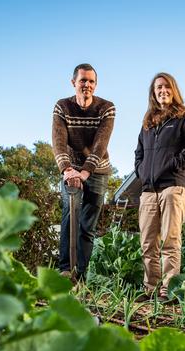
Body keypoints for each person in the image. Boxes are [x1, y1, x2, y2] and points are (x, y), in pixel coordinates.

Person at [134, 72, 185, 301]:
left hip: (172, 188)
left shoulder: (183, 117)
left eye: (166, 87)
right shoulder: (147, 122)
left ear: (173, 89)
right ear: (153, 93)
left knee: (170, 241)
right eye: (158, 87)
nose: (162, 90)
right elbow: (139, 154)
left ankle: (168, 291)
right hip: (148, 191)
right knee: (147, 243)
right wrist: (141, 173)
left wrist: (173, 165)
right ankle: (150, 289)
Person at [52, 63, 115, 282]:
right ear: (73, 83)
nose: (86, 85)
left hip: (97, 171)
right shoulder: (62, 107)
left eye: (90, 81)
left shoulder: (107, 108)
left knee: (88, 225)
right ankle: (65, 270)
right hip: (70, 170)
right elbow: (58, 141)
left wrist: (86, 172)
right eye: (82, 81)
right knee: (70, 214)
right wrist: (68, 170)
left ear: (95, 85)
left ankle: (82, 273)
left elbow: (100, 144)